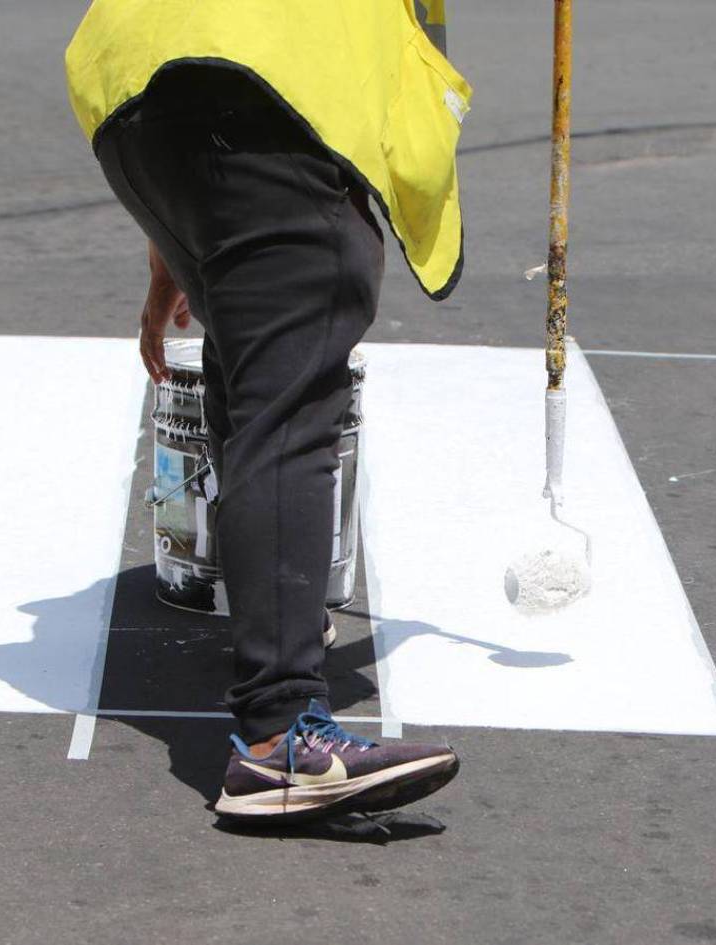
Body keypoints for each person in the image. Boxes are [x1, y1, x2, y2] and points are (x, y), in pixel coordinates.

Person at [65, 1, 471, 820]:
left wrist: (168, 253)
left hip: (134, 92)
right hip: (268, 97)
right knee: (288, 409)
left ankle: (273, 624)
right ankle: (279, 735)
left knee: (253, 374)